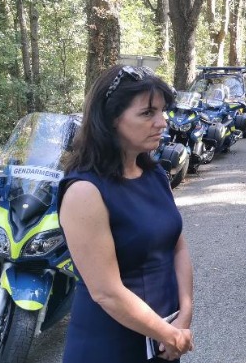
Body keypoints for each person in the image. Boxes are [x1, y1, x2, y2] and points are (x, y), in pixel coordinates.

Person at [58, 65, 195, 362]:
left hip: (164, 339)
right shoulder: (85, 191)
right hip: (109, 346)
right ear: (110, 119)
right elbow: (105, 292)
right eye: (147, 113)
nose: (162, 122)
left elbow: (178, 247)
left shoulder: (155, 175)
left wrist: (185, 313)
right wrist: (170, 334)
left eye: (162, 111)